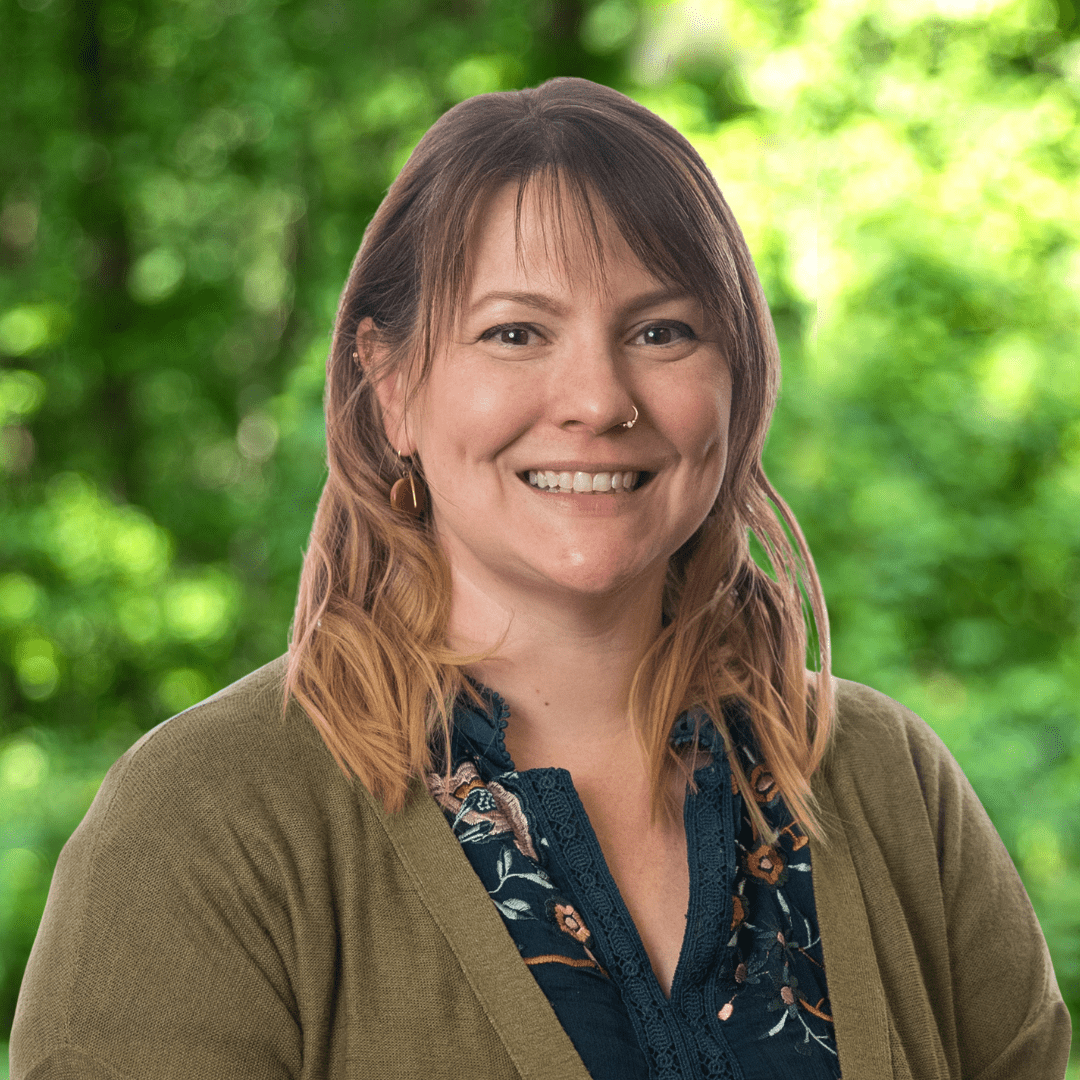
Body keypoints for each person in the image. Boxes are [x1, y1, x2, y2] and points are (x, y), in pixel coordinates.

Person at [11, 78, 1070, 1080]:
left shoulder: (893, 787)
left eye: (662, 331)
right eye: (516, 332)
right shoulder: (209, 822)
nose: (599, 399)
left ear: (737, 381)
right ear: (388, 387)